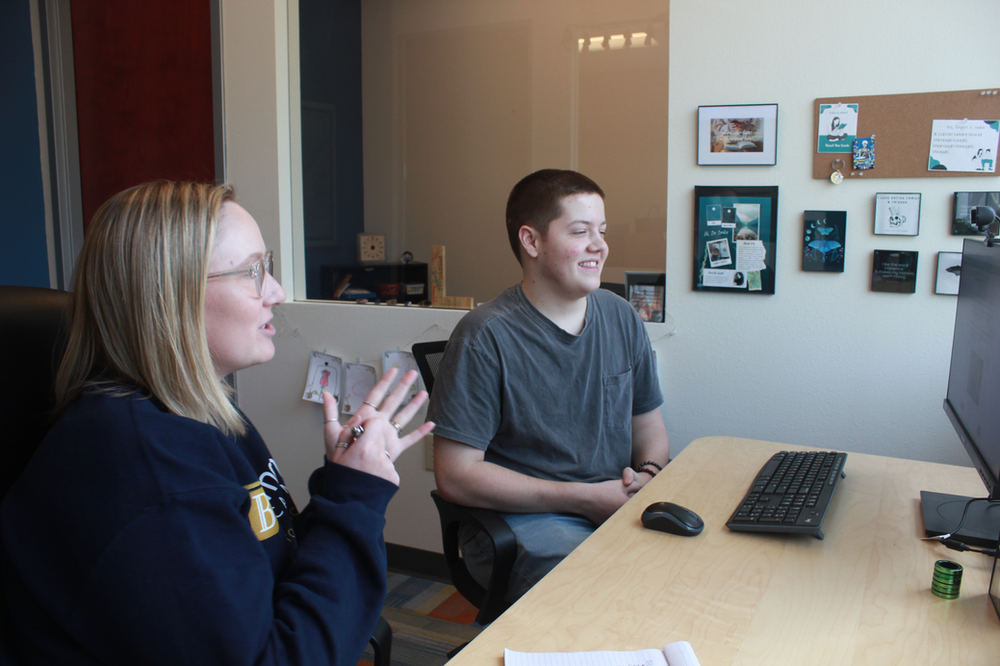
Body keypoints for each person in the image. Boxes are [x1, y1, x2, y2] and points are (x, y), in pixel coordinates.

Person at [0, 181, 434, 665]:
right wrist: (357, 496)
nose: (276, 291)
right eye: (253, 271)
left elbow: (274, 568)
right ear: (170, 295)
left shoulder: (200, 415)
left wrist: (345, 482)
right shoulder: (151, 473)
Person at [428, 169, 669, 604]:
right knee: (609, 593)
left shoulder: (621, 316)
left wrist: (648, 475)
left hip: (612, 501)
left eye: (603, 230)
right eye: (580, 231)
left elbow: (648, 424)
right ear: (532, 241)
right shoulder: (484, 336)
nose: (600, 245)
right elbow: (455, 476)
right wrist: (586, 499)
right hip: (523, 521)